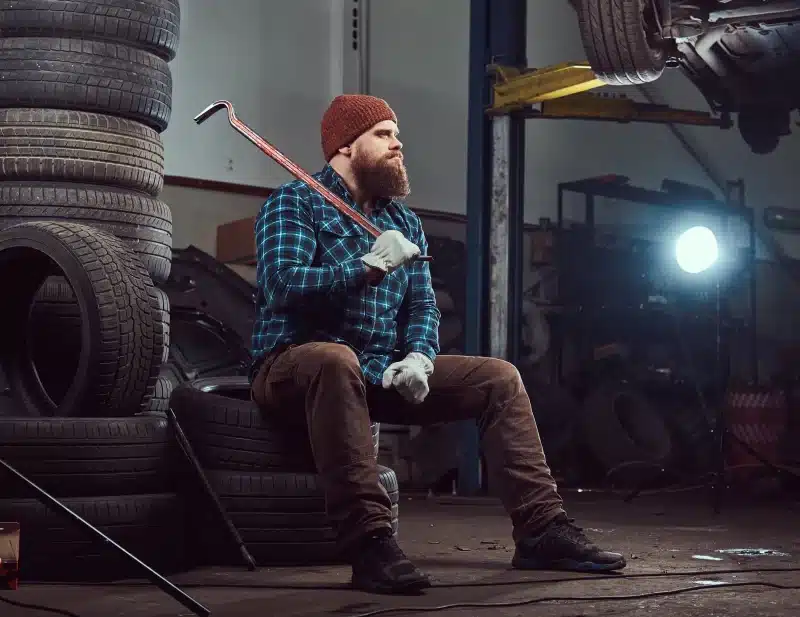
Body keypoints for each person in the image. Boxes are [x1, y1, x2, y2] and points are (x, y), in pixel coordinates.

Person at [249, 94, 626, 594]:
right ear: (344, 145)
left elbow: (422, 307)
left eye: (396, 132)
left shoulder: (405, 223)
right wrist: (365, 268)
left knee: (499, 378)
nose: (398, 142)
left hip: (377, 370)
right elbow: (282, 285)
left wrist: (419, 358)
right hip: (292, 366)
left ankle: (541, 530)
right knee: (334, 360)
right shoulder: (294, 202)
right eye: (383, 133)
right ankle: (370, 545)